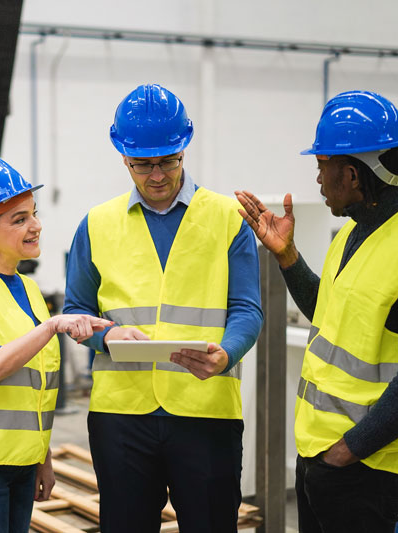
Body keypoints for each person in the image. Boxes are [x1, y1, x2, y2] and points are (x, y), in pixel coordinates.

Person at [236, 90, 398, 533]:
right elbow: (328, 311)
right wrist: (288, 257)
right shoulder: (351, 235)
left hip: (367, 467)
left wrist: (345, 453)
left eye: (322, 167)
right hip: (325, 456)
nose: (318, 180)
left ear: (352, 175)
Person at [63, 83, 264, 532]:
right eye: (142, 165)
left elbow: (247, 309)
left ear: (184, 150)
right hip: (121, 418)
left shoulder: (227, 219)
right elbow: (76, 309)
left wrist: (226, 353)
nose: (156, 175)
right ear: (123, 158)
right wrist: (106, 335)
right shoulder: (96, 224)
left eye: (167, 162)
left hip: (206, 410)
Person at [0, 157, 113, 533]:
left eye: (33, 214)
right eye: (19, 220)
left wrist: (41, 458)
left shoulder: (27, 289)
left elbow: (33, 388)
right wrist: (52, 326)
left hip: (20, 463)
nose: (36, 226)